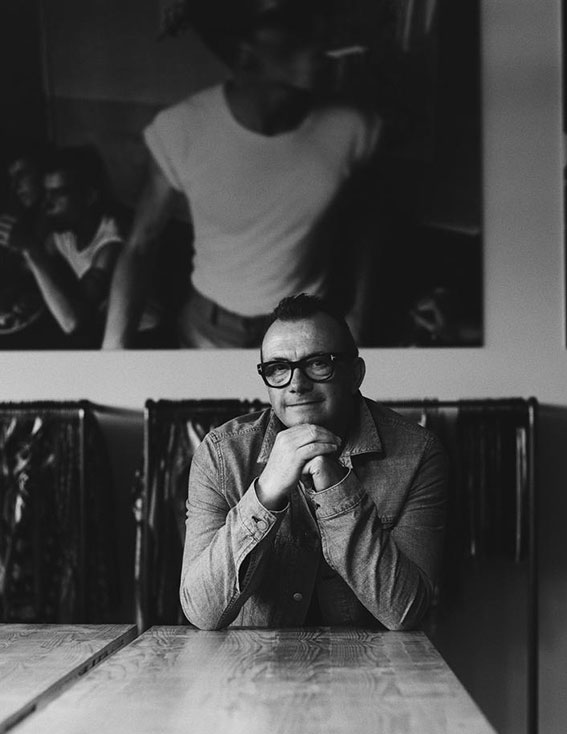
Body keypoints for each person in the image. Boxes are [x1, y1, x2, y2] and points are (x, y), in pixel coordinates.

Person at [102, 0, 381, 350]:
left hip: (308, 328)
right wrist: (113, 352)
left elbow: (367, 227)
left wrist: (358, 316)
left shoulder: (355, 129)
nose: (319, 32)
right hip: (212, 332)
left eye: (316, 16)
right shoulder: (180, 130)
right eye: (291, 21)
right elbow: (140, 244)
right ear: (243, 51)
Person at [180, 293, 448, 630]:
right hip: (252, 661)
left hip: (371, 662)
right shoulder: (220, 455)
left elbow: (405, 611)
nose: (297, 384)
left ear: (355, 374)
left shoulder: (418, 454)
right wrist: (266, 493)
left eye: (318, 363)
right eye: (278, 368)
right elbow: (202, 612)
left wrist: (335, 488)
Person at [0, 145, 123, 347]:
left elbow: (73, 322)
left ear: (89, 197)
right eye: (46, 193)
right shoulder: (64, 233)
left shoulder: (111, 246)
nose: (46, 203)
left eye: (57, 193)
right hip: (104, 331)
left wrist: (30, 248)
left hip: (142, 340)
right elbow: (26, 270)